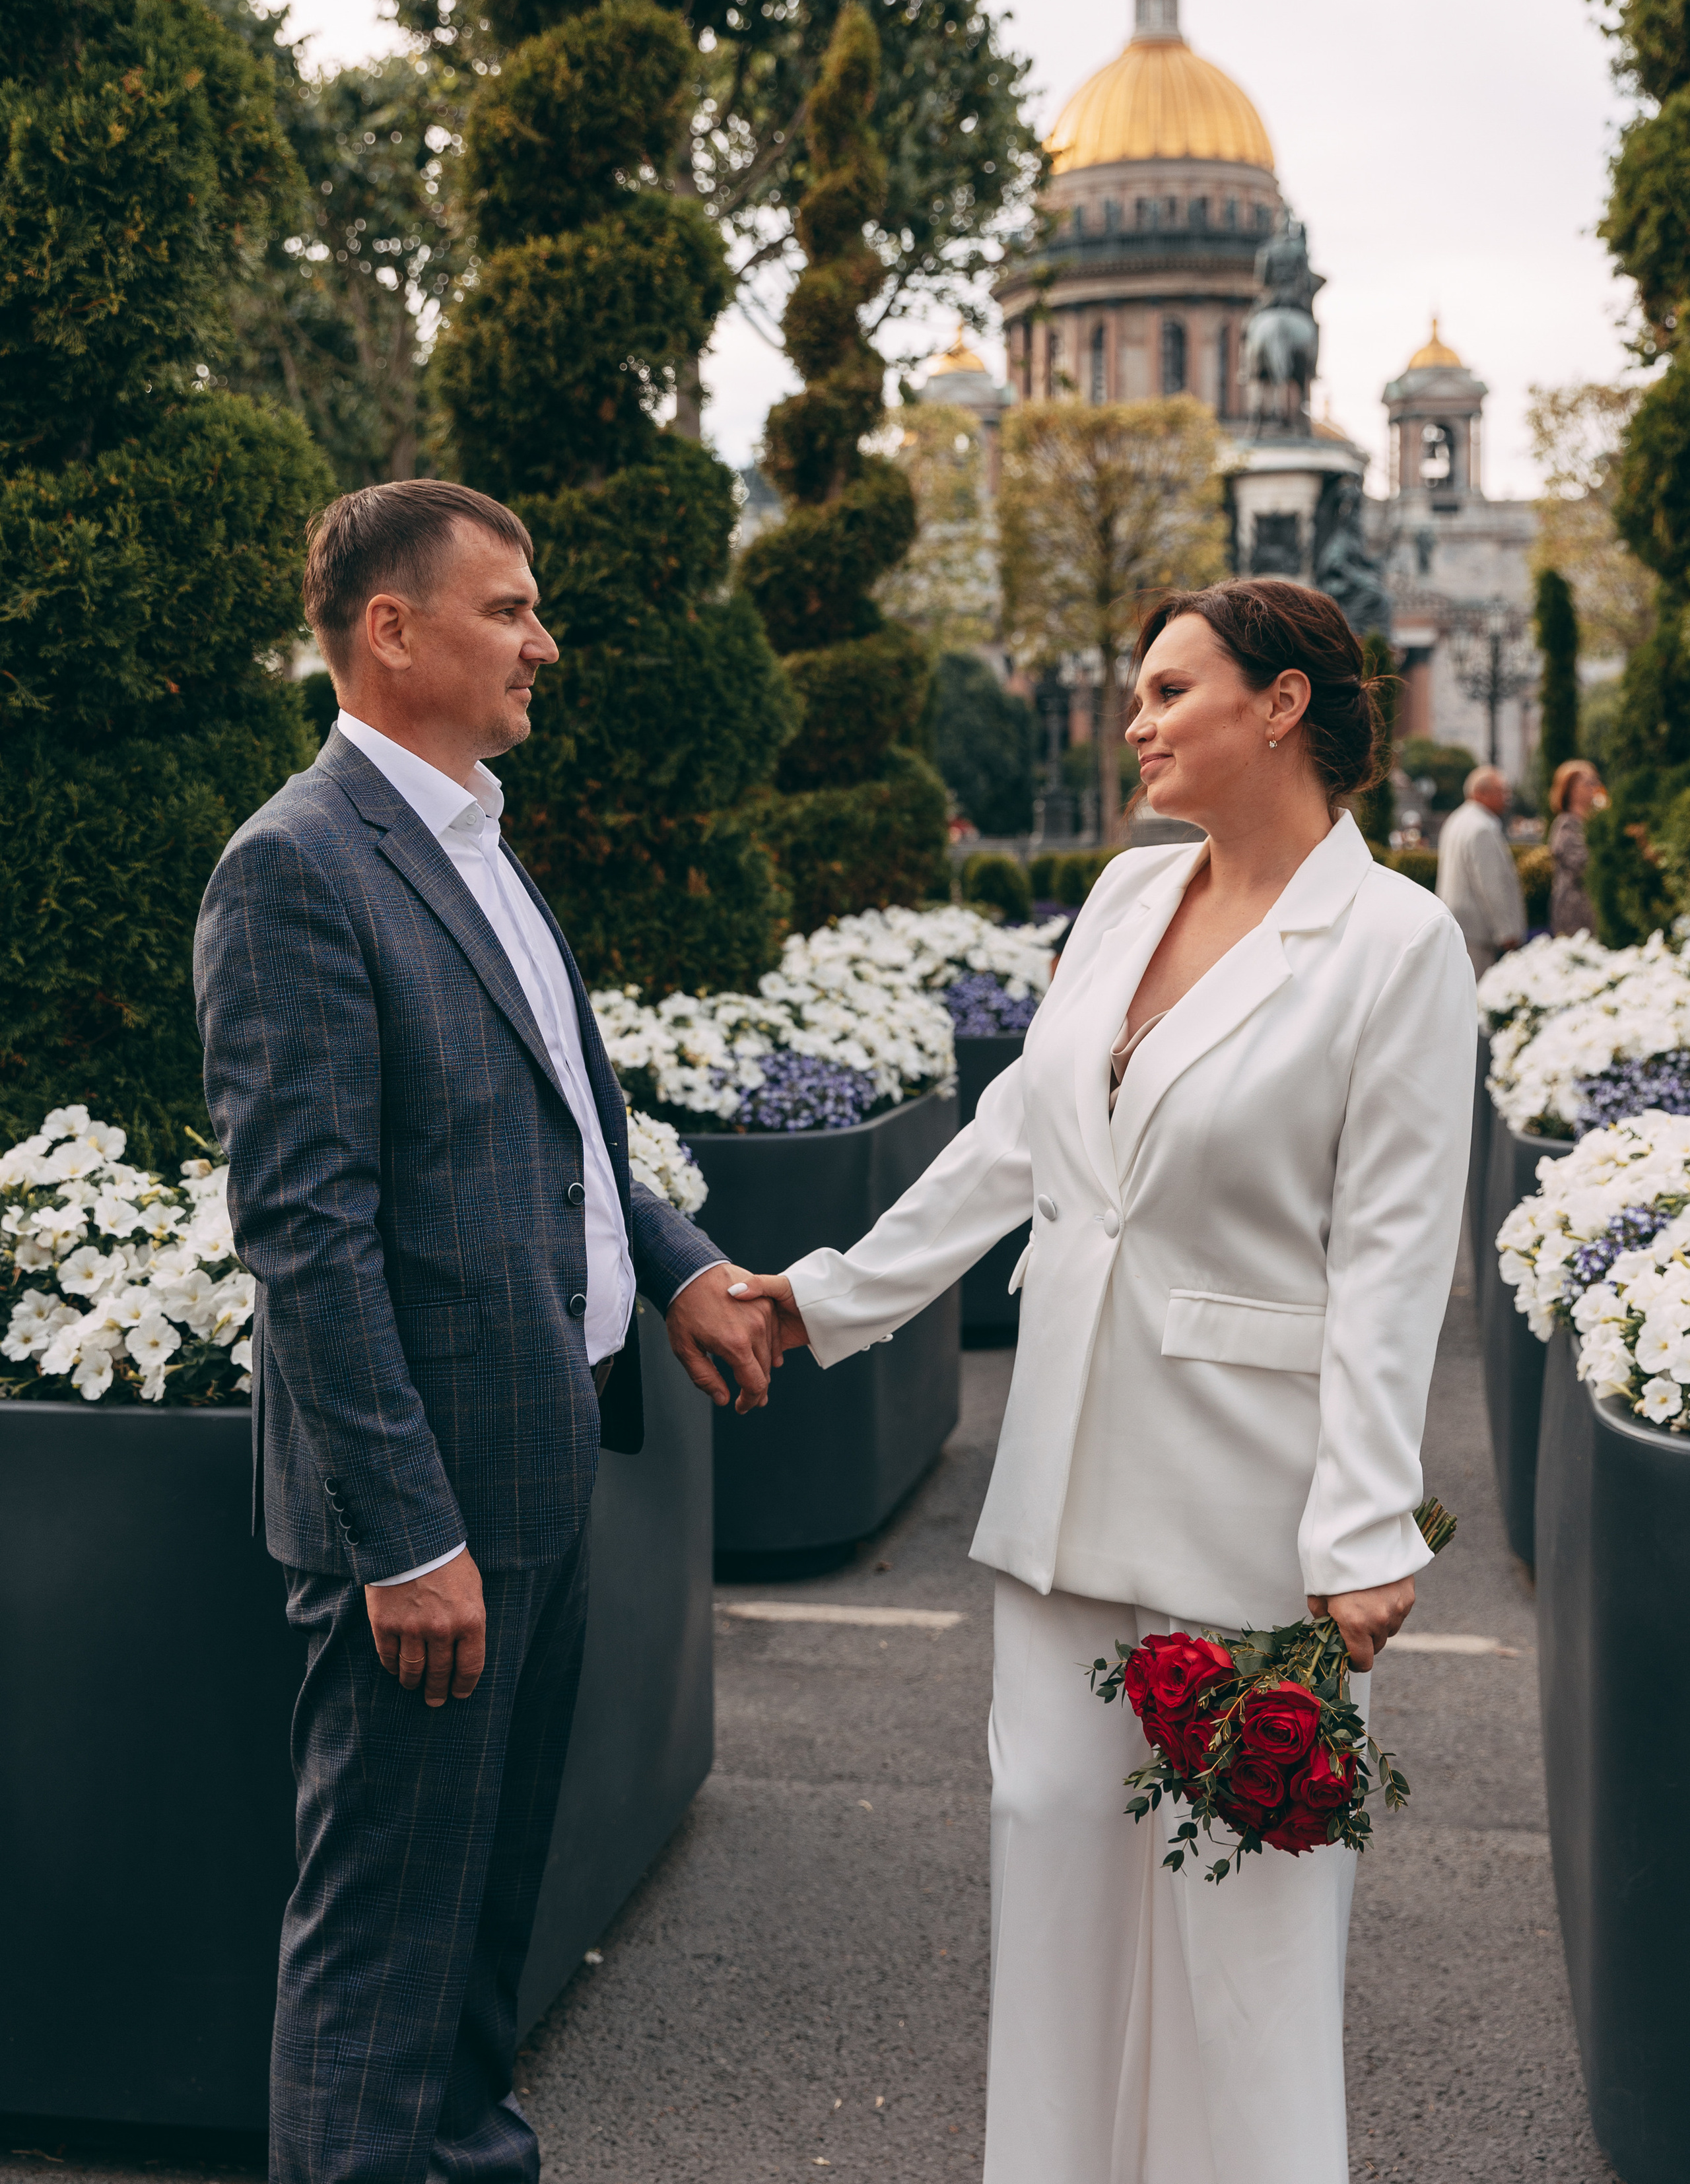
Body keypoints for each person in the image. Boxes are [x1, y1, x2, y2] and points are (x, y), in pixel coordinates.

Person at [730, 578, 1473, 2184]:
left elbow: (1395, 1256)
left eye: (1165, 687)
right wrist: (821, 1299)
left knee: (1245, 1936)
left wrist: (1361, 1522)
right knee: (1050, 1870)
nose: (1132, 718)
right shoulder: (1126, 896)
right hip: (1058, 1481)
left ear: (1278, 704)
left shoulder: (1397, 943)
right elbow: (1017, 1144)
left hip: (1251, 1507)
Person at [194, 479, 776, 2184]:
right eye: (509, 609)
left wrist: (674, 1267)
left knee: (472, 1956)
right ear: (390, 632)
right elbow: (305, 1234)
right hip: (428, 1524)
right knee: (383, 1966)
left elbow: (569, 1122)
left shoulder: (476, 841)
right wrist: (407, 1534)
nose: (545, 640)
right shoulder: (292, 872)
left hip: (539, 1474)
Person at [1435, 763, 1526, 977]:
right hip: (1478, 932)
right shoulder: (1482, 827)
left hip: (1459, 926)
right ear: (1482, 793)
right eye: (1502, 791)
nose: (1507, 797)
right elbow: (1491, 884)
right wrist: (1508, 931)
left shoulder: (1457, 819)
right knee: (1480, 997)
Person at [1547, 758, 1606, 937]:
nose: (1596, 787)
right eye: (1589, 782)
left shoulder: (1593, 823)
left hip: (1594, 910)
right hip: (1575, 915)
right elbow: (1583, 865)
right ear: (1571, 789)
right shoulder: (1567, 825)